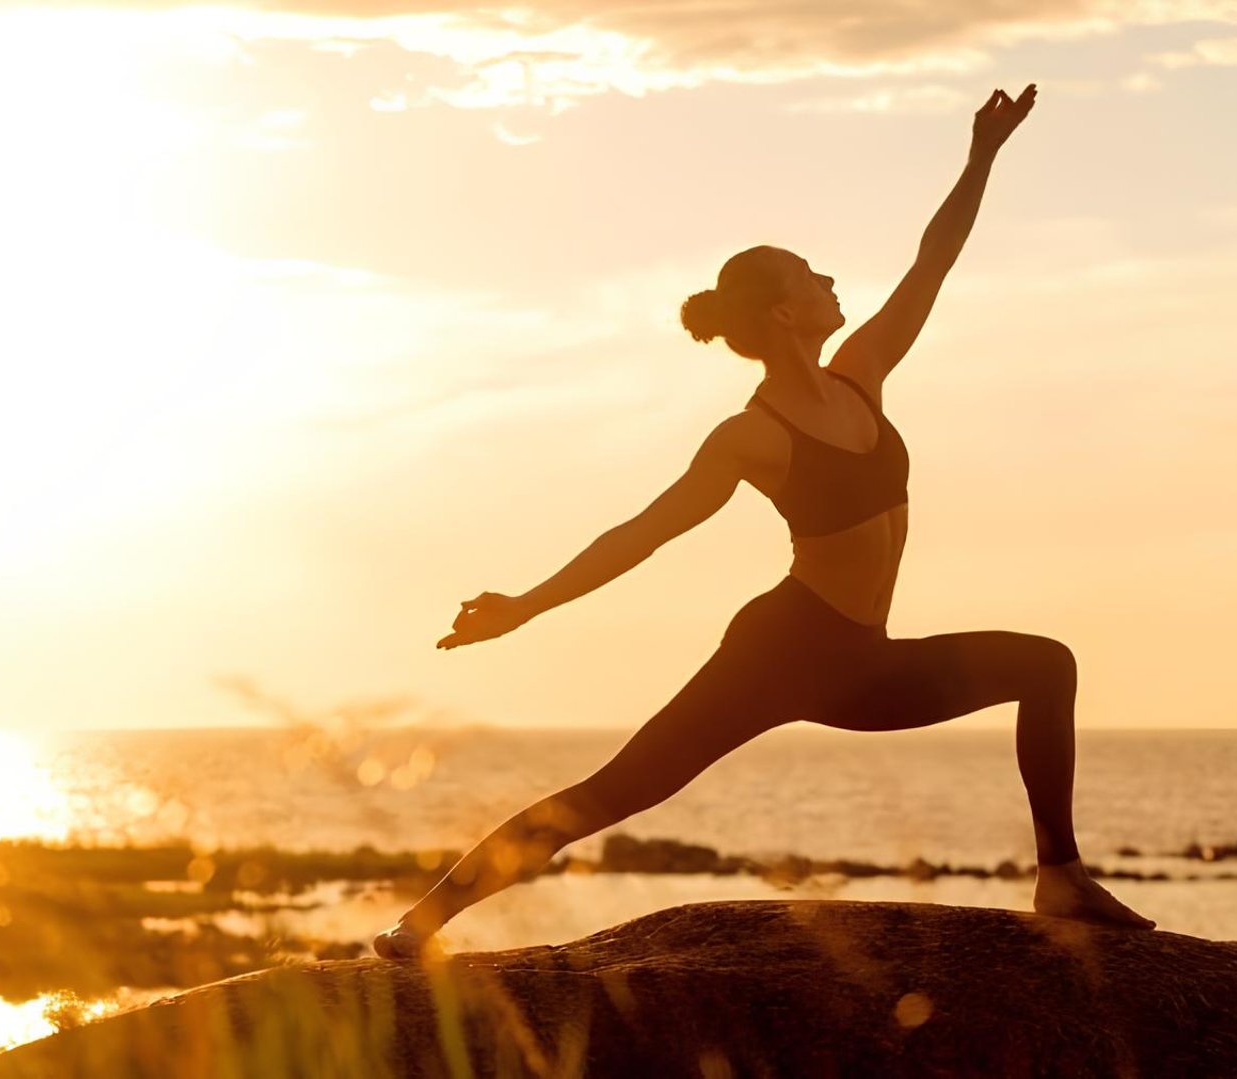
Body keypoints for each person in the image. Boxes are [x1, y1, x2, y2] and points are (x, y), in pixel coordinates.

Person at [374, 83, 1153, 961]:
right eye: (810, 274)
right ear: (785, 311)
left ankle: (1061, 874)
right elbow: (642, 532)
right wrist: (523, 605)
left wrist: (981, 159)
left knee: (1045, 665)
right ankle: (416, 927)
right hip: (781, 651)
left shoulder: (862, 373)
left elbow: (933, 260)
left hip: (865, 663)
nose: (828, 278)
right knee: (612, 793)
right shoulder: (753, 436)